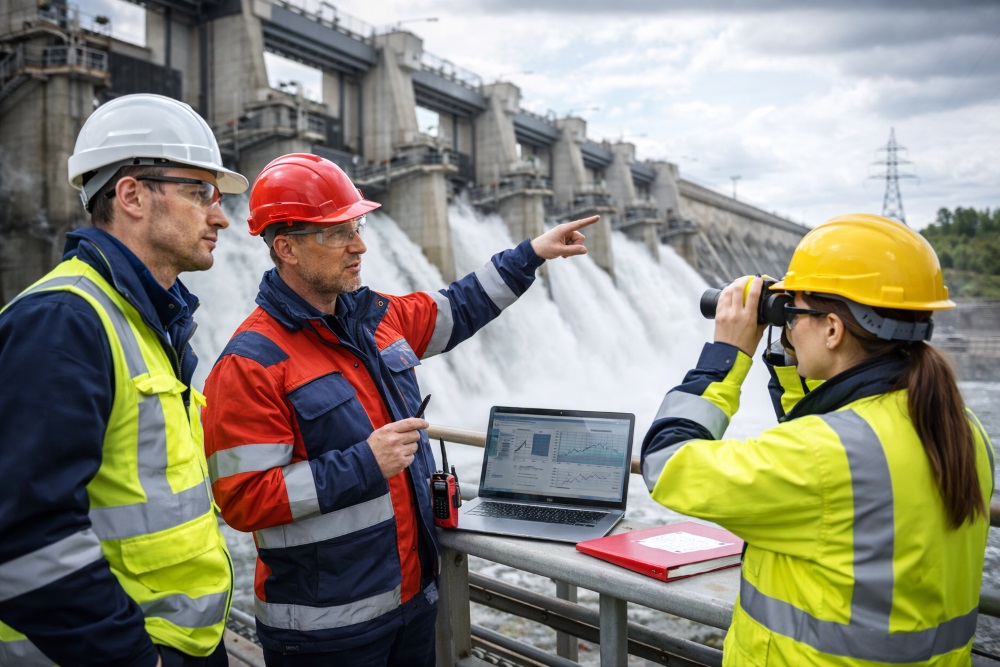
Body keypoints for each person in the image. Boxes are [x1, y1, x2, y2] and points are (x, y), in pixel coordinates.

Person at [201, 152, 597, 666]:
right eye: (338, 232)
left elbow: (459, 306)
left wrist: (532, 254)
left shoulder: (375, 319)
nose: (359, 245)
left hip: (411, 604)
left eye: (357, 225)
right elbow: (242, 500)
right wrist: (366, 462)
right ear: (287, 248)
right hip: (326, 633)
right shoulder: (250, 364)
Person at [641, 213, 995, 666]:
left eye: (794, 313)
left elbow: (666, 461)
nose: (788, 326)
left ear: (832, 328)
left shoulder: (821, 454)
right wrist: (793, 363)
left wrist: (724, 358)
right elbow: (834, 433)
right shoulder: (960, 424)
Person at [0, 93, 249, 666]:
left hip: (182, 642)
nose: (220, 215)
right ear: (132, 195)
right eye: (199, 192)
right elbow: (25, 538)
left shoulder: (144, 318)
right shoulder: (62, 323)